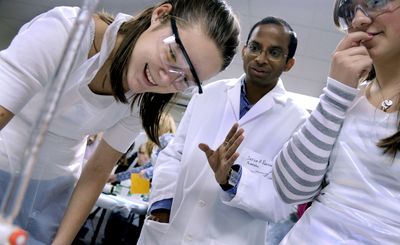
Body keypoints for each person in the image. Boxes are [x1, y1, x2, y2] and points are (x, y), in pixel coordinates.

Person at [0, 0, 240, 243]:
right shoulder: (66, 32)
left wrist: (61, 241)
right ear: (160, 15)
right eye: (171, 54)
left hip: (52, 187)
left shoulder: (141, 98)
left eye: (185, 79)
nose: (165, 77)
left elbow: (97, 170)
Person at [138, 17, 309, 244]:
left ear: (289, 64)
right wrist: (163, 204)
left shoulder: (297, 121)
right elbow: (173, 155)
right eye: (255, 48)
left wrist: (233, 180)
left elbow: (282, 205)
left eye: (274, 53)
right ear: (244, 50)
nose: (261, 58)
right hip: (170, 230)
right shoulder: (207, 94)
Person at [273, 0, 400, 244]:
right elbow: (290, 187)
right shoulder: (345, 98)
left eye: (375, 1)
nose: (359, 20)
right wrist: (336, 93)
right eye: (349, 12)